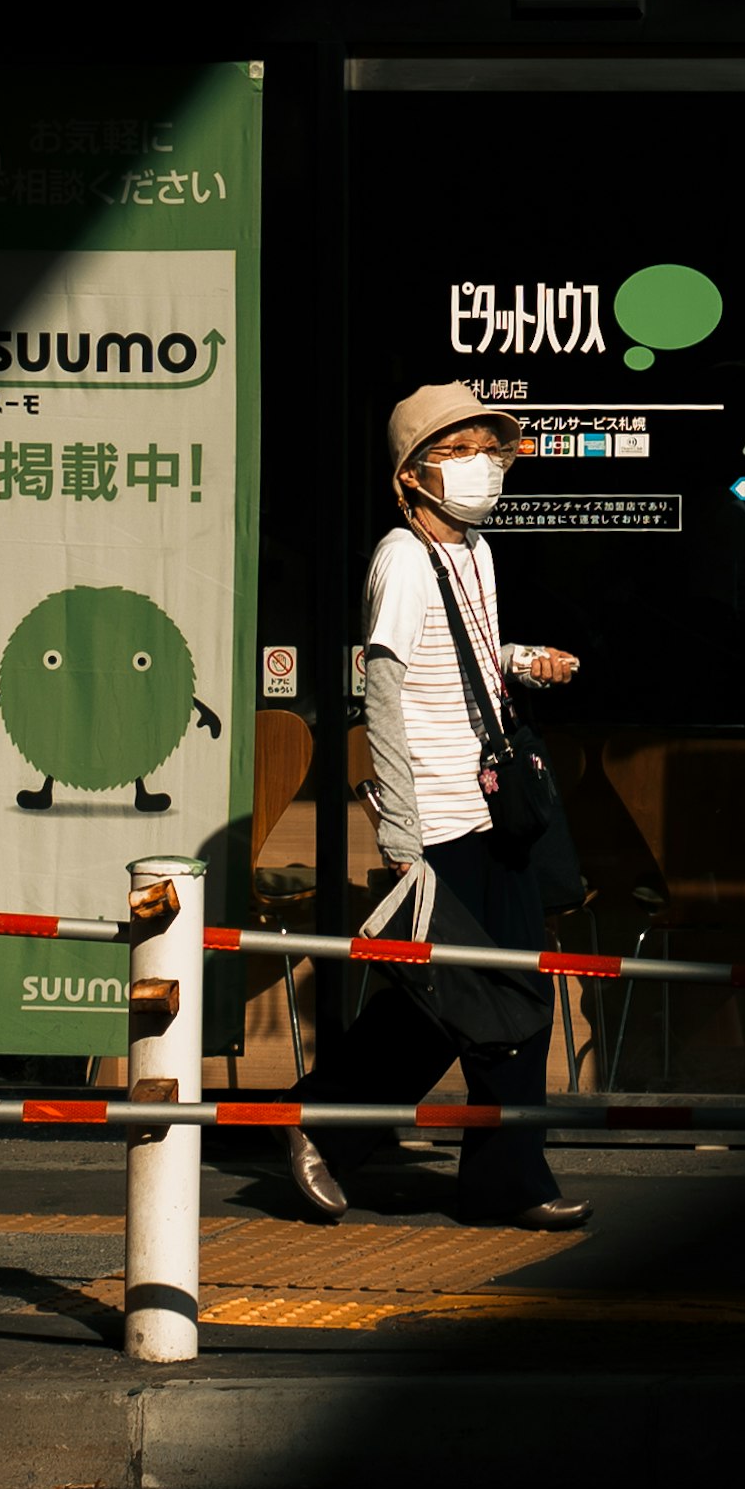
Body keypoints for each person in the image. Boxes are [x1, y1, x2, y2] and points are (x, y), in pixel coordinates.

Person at [278, 382, 589, 1228]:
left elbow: (463, 659)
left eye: (488, 446)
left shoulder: (476, 552)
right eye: (455, 452)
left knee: (512, 999)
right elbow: (380, 690)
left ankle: (504, 1179)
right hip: (440, 821)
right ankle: (327, 1125)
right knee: (451, 1009)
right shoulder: (402, 559)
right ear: (411, 476)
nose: (480, 465)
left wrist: (521, 660)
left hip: (496, 813)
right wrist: (402, 835)